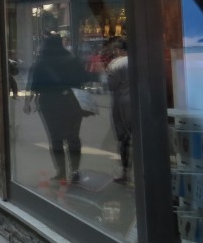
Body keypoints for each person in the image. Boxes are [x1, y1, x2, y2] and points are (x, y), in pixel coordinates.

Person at [27, 33, 90, 184]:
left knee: (56, 138)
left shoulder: (41, 62)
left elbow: (34, 85)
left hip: (49, 103)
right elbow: (84, 79)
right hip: (72, 101)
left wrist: (27, 103)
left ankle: (61, 172)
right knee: (73, 137)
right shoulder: (72, 59)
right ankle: (75, 171)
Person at [104, 38, 131, 184]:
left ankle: (125, 172)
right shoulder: (140, 60)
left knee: (124, 138)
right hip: (141, 102)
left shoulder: (116, 64)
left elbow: (111, 86)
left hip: (122, 104)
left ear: (119, 50)